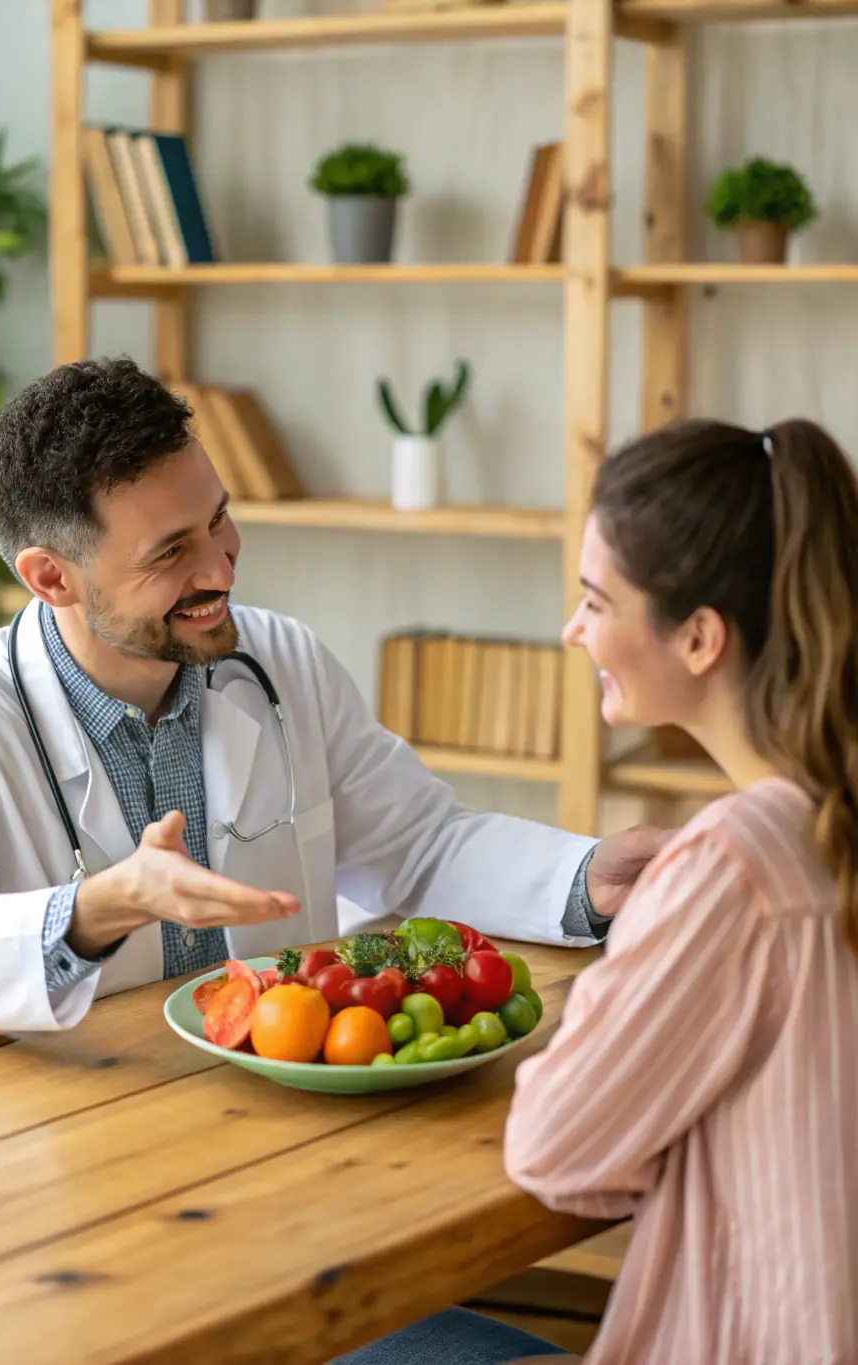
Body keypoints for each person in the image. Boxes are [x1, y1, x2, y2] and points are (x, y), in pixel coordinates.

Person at [0, 357, 664, 1042]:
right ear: (51, 576)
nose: (222, 569)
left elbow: (418, 846)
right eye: (171, 552)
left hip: (272, 1114)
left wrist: (588, 877)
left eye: (220, 520)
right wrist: (98, 909)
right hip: (55, 1141)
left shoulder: (282, 660)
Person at [345, 415, 858, 1364]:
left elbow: (556, 1146)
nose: (572, 629)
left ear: (700, 636)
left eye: (595, 599)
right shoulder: (826, 821)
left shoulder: (733, 867)